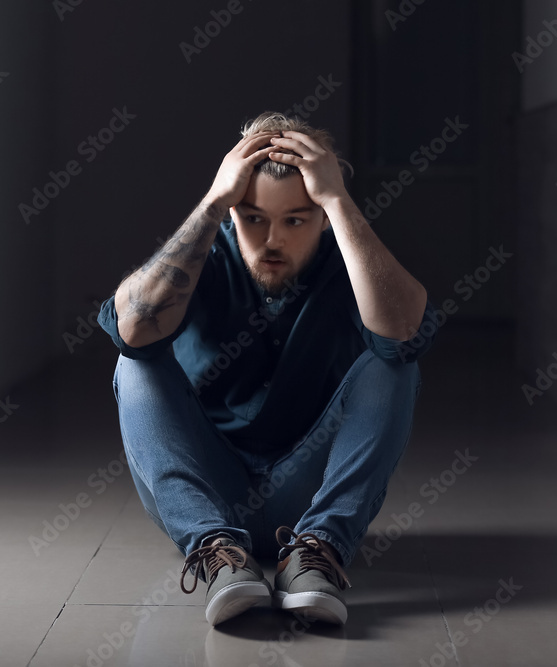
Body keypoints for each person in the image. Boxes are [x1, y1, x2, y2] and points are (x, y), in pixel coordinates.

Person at [97, 111, 439, 627]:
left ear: (321, 218)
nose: (272, 240)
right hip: (209, 493)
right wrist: (213, 202)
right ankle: (218, 552)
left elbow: (402, 334)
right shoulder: (204, 257)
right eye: (253, 217)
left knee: (395, 366)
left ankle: (317, 551)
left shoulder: (348, 261)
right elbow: (133, 330)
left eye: (295, 220)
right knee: (136, 364)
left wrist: (339, 201)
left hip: (306, 497)